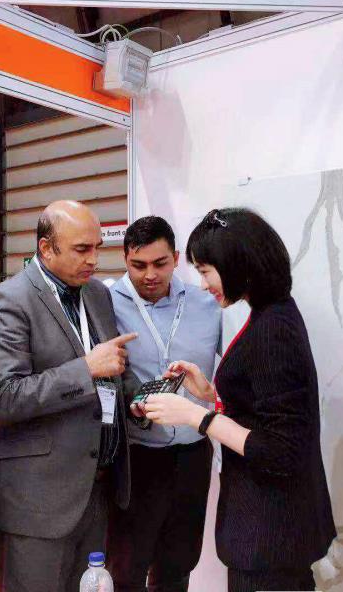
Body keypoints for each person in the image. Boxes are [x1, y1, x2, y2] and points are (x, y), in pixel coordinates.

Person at [139, 208, 336, 592]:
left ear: (236, 262)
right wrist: (211, 396)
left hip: (271, 534)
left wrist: (196, 416)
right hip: (269, 530)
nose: (203, 284)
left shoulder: (273, 329)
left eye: (205, 271)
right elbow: (263, 411)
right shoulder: (272, 313)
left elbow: (281, 450)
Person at [0, 200, 137, 592]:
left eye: (97, 247)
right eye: (82, 249)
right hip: (36, 502)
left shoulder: (96, 293)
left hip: (96, 490)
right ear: (46, 248)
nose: (94, 259)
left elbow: (110, 370)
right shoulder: (9, 300)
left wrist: (139, 401)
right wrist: (85, 369)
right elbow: (2, 396)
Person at [106, 216, 221, 592]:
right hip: (136, 458)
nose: (150, 275)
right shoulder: (104, 303)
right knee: (126, 570)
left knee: (178, 565)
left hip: (192, 454)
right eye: (138, 265)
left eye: (160, 263)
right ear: (125, 259)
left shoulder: (207, 304)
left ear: (176, 258)